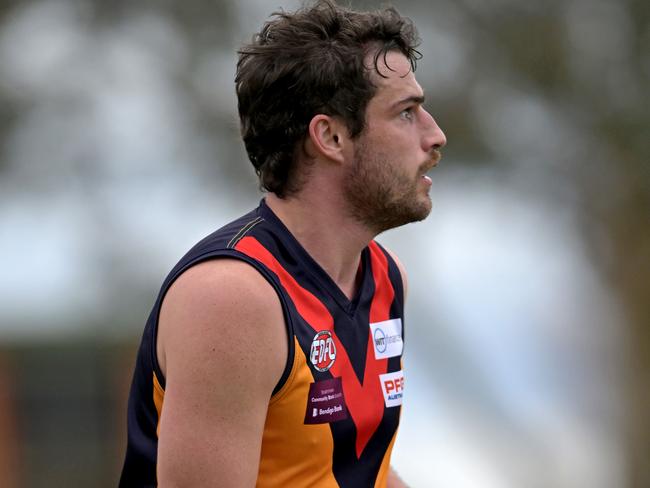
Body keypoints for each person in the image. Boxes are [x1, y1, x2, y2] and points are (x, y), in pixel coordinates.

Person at [120, 0, 446, 486]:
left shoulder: (383, 276)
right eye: (406, 113)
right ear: (330, 136)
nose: (435, 135)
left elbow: (355, 471)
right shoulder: (234, 298)